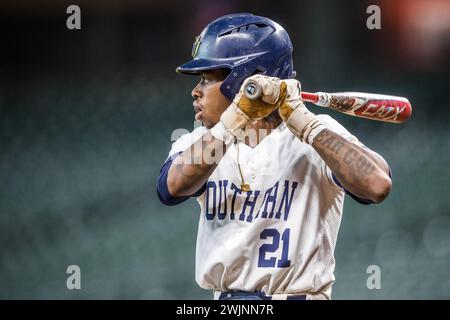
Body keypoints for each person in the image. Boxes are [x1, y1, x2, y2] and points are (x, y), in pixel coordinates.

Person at [157, 13, 392, 300]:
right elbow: (171, 188)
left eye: (207, 78)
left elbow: (377, 185)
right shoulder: (199, 141)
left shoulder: (317, 135)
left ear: (245, 79)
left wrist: (303, 122)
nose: (195, 91)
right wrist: (235, 120)